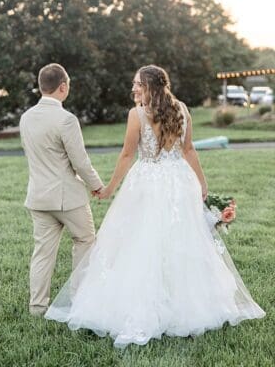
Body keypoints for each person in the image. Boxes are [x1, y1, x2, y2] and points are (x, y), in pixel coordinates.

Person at [45, 65, 265, 347]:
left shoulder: (137, 114)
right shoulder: (182, 108)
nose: (133, 89)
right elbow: (188, 151)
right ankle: (182, 304)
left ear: (150, 86)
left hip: (148, 181)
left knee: (144, 240)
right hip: (178, 181)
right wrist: (201, 183)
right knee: (173, 240)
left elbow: (127, 154)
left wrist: (110, 188)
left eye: (137, 84)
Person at [19, 63, 103, 316]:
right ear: (63, 87)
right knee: (85, 240)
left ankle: (37, 307)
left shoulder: (26, 118)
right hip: (68, 199)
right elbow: (80, 161)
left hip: (38, 197)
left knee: (42, 252)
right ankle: (80, 300)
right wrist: (97, 185)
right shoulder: (66, 119)